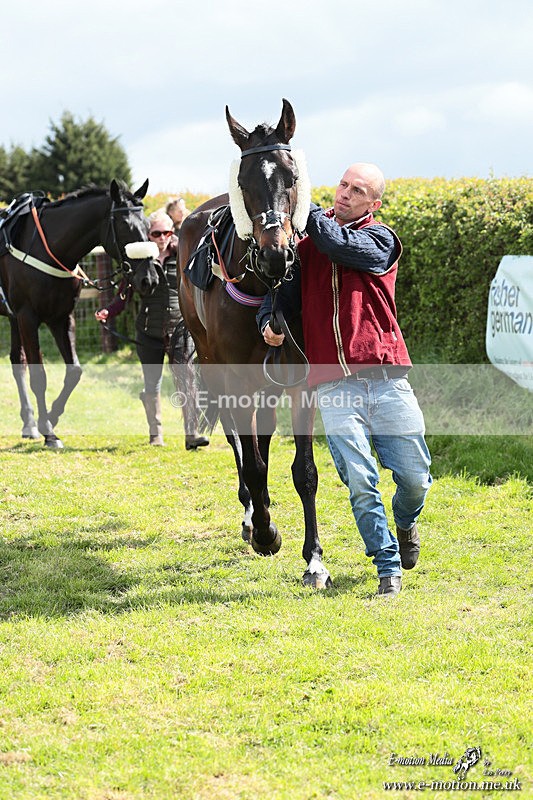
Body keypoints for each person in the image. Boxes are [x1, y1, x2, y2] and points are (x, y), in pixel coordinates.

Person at [257, 163, 432, 597]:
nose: (346, 194)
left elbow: (343, 246)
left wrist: (303, 207)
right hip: (333, 386)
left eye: (358, 190)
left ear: (374, 204)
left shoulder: (380, 240)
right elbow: (277, 298)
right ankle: (387, 567)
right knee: (359, 479)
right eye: (343, 185)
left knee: (415, 479)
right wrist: (268, 321)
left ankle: (406, 521)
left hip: (387, 378)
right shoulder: (306, 247)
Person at [95, 211, 209, 451]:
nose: (162, 238)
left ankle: (192, 433)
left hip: (180, 329)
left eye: (167, 232)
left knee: (187, 379)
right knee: (152, 384)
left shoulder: (184, 255)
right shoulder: (139, 260)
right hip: (148, 331)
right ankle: (155, 434)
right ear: (148, 235)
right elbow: (123, 296)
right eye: (156, 233)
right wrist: (108, 311)